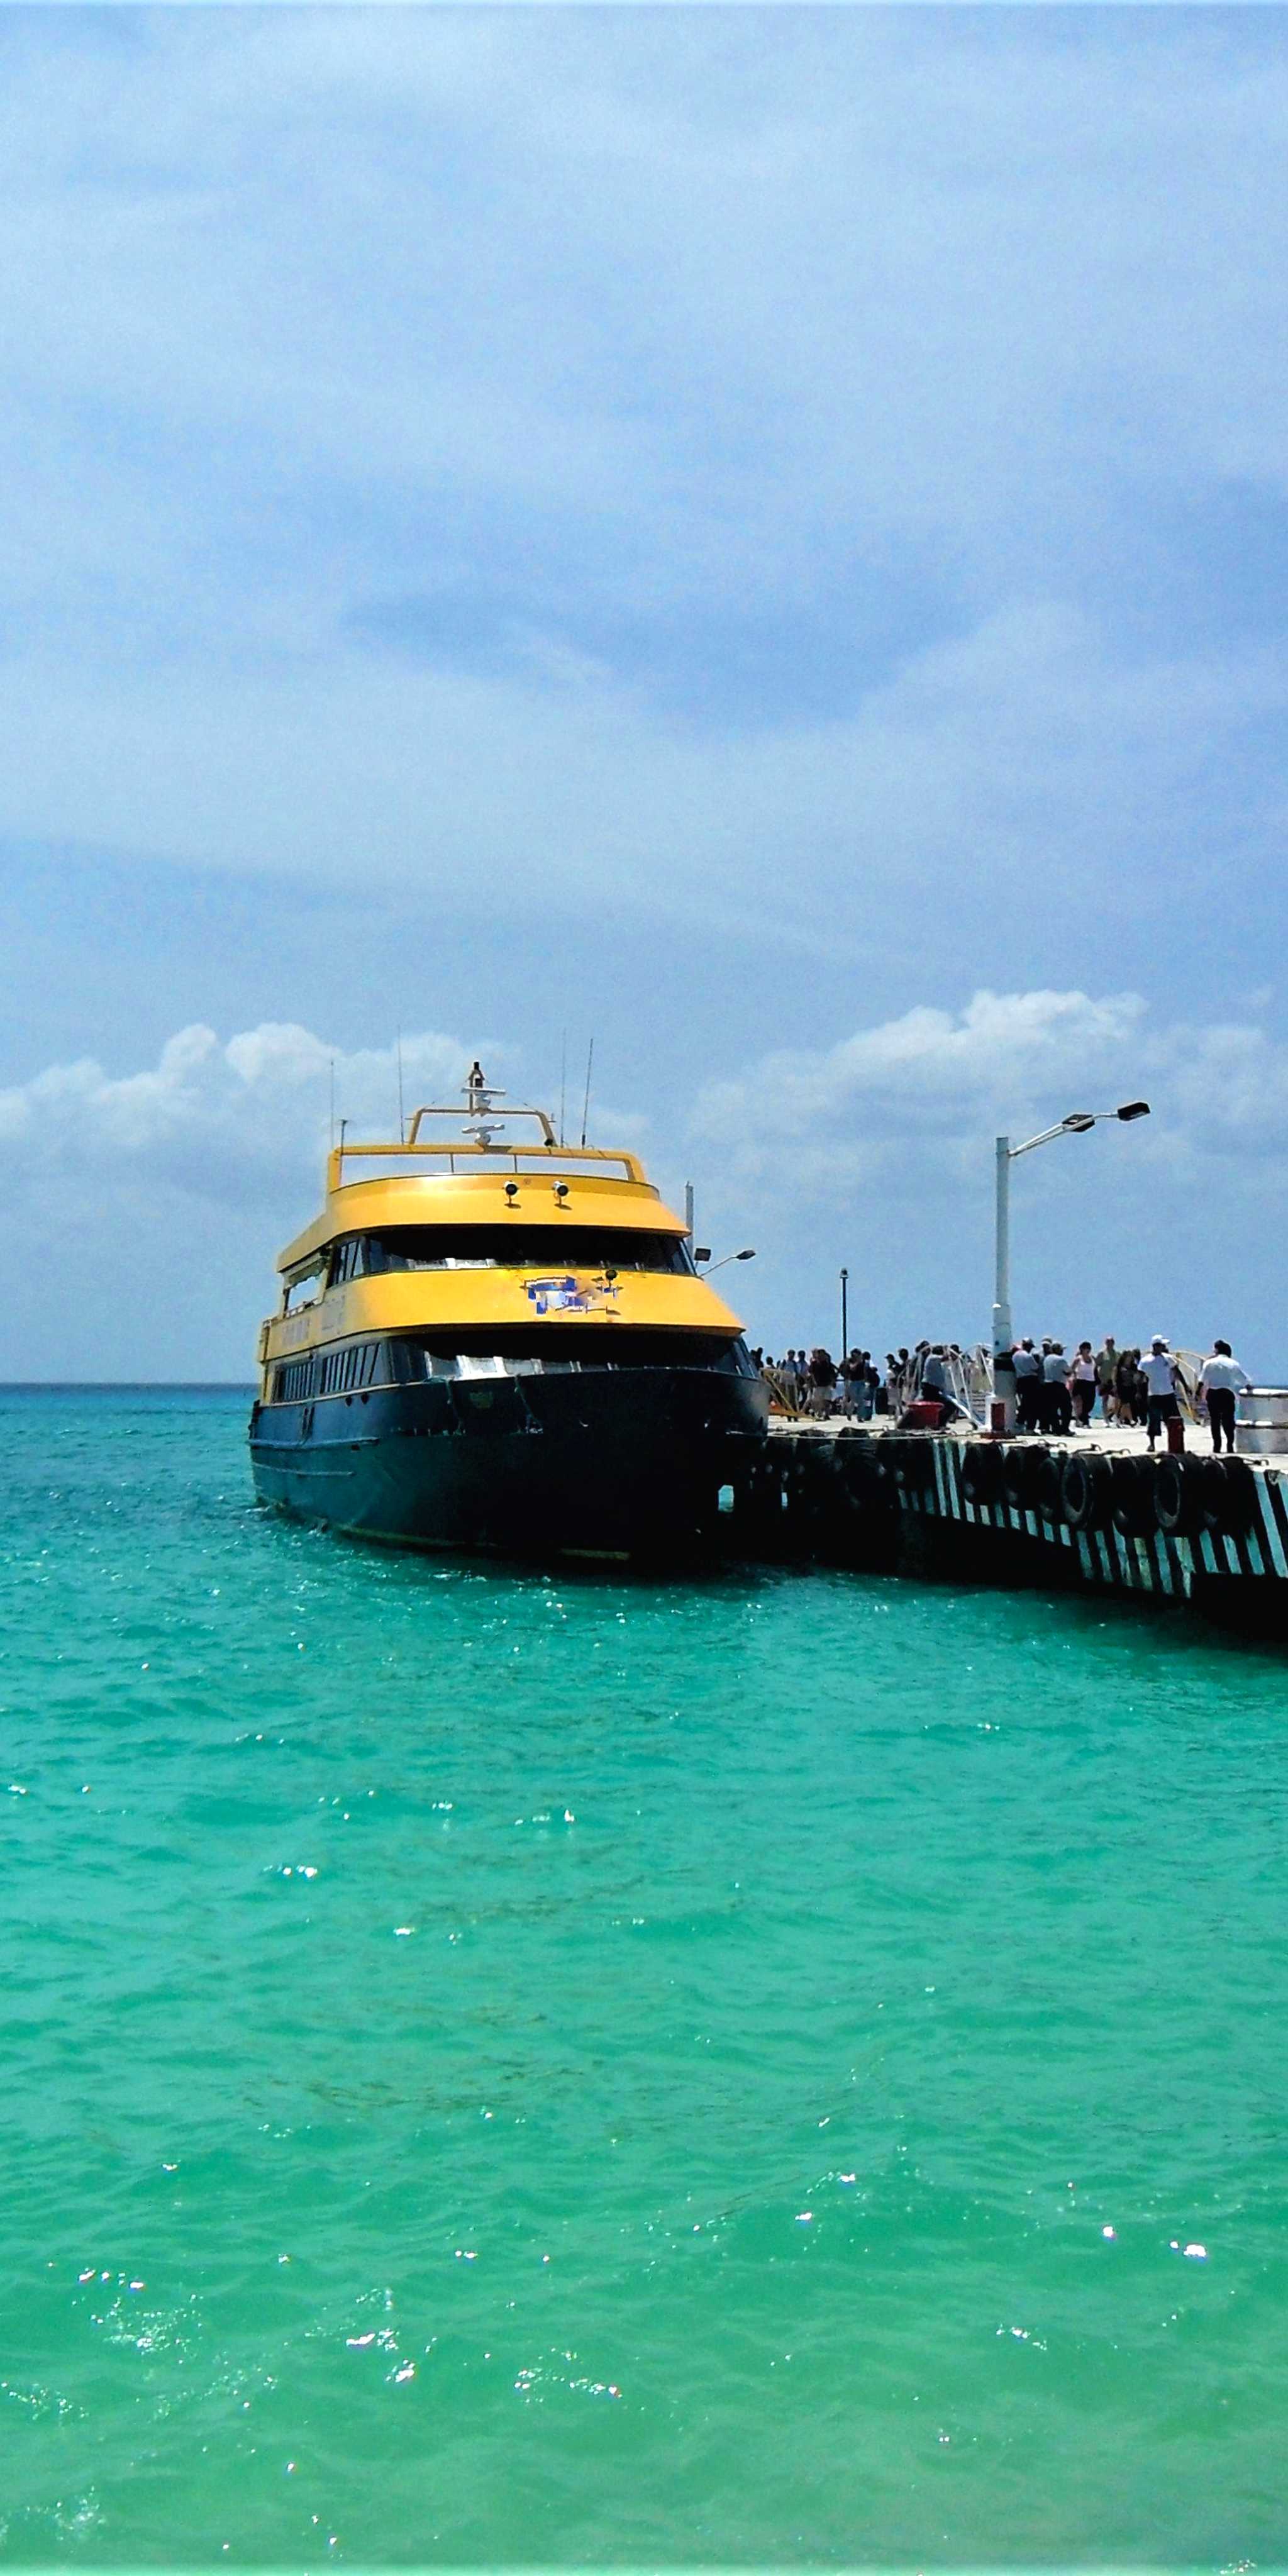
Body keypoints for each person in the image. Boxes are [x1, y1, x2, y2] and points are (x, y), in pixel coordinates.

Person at [1197, 1340, 1250, 1455]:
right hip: (1227, 1393)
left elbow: (1202, 1381)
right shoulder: (1233, 1363)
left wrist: (1198, 1394)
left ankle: (1217, 1446)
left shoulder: (1209, 1363)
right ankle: (1230, 1445)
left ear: (1216, 1350)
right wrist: (1249, 1387)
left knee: (1215, 1420)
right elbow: (1243, 1379)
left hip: (1213, 1393)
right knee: (1228, 1420)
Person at [1140, 1335, 1180, 1449]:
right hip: (1154, 1394)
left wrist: (1185, 1386)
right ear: (1155, 1346)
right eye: (1162, 1345)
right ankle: (1152, 1444)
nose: (1163, 1348)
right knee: (1153, 1420)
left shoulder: (1169, 1358)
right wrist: (1140, 1392)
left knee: (1172, 1419)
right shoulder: (1146, 1361)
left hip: (1168, 1393)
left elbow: (1177, 1372)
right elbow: (1141, 1377)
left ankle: (1173, 1443)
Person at [1041, 1340, 1072, 1435]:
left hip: (1047, 1385)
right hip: (1058, 1385)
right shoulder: (1061, 1360)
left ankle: (1055, 1428)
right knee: (1067, 1408)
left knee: (1052, 1408)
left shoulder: (1047, 1359)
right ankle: (1065, 1428)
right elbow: (1068, 1371)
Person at [1013, 1336, 1042, 1432]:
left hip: (1020, 1380)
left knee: (1025, 1404)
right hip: (1030, 1381)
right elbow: (1035, 1367)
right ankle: (1030, 1428)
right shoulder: (1028, 1356)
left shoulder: (1015, 1355)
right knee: (1033, 1405)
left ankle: (1020, 1423)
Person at [1069, 1341, 1097, 1428]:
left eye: (1089, 1348)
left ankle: (1082, 1418)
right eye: (1086, 1348)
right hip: (1081, 1382)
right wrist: (1073, 1377)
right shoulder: (1078, 1359)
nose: (1088, 1350)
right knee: (1080, 1403)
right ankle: (1084, 1421)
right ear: (1082, 1349)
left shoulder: (1092, 1358)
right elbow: (1071, 1369)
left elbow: (1095, 1369)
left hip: (1091, 1382)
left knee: (1090, 1402)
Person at [807, 1346, 837, 1417]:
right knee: (817, 1401)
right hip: (818, 1385)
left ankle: (826, 1414)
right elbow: (811, 1373)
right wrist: (813, 1382)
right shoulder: (814, 1364)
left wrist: (833, 1382)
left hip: (827, 1384)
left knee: (826, 1400)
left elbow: (833, 1373)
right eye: (820, 1354)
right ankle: (817, 1413)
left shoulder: (827, 1364)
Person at [1095, 1336, 1119, 1422]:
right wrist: (1098, 1379)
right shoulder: (1102, 1354)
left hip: (1113, 1380)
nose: (1110, 1343)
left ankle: (1114, 1416)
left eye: (1112, 1342)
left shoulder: (1117, 1354)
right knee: (1105, 1399)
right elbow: (1096, 1366)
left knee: (1117, 1399)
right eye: (1108, 1342)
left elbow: (1118, 1367)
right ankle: (1106, 1419)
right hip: (1104, 1380)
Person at [1114, 1346, 1139, 1427]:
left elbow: (1136, 1376)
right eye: (1128, 1357)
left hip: (1131, 1387)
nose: (1129, 1359)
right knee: (1126, 1404)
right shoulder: (1120, 1367)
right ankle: (1131, 1420)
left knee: (1126, 1404)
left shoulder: (1133, 1367)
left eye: (1130, 1357)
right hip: (1122, 1387)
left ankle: (1120, 1420)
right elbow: (1116, 1377)